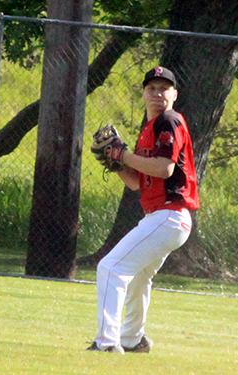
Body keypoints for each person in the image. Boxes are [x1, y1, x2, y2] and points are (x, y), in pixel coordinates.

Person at [87, 67, 200, 354]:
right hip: (164, 218)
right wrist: (116, 165)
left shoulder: (169, 121)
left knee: (110, 267)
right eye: (152, 88)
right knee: (137, 276)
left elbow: (164, 168)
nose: (157, 93)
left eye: (164, 88)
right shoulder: (148, 130)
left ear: (174, 94)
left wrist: (123, 155)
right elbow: (137, 182)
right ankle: (133, 339)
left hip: (170, 214)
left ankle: (107, 343)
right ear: (143, 93)